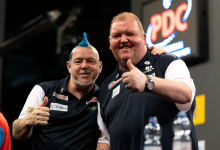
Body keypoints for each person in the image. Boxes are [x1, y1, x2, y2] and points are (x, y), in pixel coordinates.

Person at [12, 32, 166, 150]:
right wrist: (28, 121)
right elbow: (17, 133)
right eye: (78, 61)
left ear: (100, 68)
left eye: (90, 61)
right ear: (69, 66)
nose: (84, 66)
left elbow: (107, 138)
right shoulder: (43, 90)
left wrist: (154, 56)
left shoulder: (104, 97)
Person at [97, 12, 199, 150]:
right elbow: (106, 139)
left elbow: (186, 94)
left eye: (130, 34)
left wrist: (147, 82)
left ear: (144, 38)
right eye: (117, 36)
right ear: (110, 42)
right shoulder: (105, 87)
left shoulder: (167, 62)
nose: (123, 39)